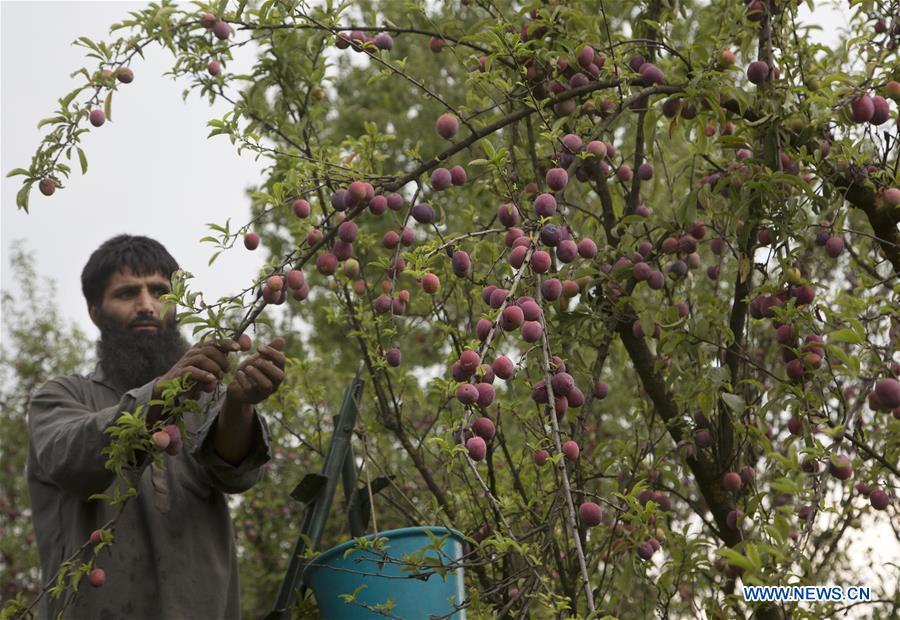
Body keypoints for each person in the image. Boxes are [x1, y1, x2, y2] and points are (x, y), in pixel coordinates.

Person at [26, 234, 286, 619]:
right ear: (96, 311)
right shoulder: (61, 397)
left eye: (160, 291)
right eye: (128, 293)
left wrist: (238, 406)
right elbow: (71, 459)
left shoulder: (206, 399)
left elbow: (238, 476)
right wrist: (160, 394)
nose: (147, 305)